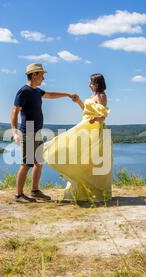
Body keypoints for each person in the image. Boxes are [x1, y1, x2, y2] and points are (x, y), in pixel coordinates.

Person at [11, 63, 79, 203]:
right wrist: (15, 132)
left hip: (37, 131)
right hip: (28, 130)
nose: (44, 78)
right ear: (34, 74)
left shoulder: (37, 91)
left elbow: (51, 94)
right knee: (26, 164)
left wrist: (67, 94)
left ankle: (35, 191)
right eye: (42, 75)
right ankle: (18, 195)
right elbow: (15, 111)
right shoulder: (24, 91)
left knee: (39, 162)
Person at [43, 73, 113, 203]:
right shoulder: (92, 96)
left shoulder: (102, 96)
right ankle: (84, 190)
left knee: (93, 162)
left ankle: (96, 191)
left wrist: (95, 118)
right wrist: (78, 101)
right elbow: (85, 110)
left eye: (91, 82)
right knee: (80, 156)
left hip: (95, 130)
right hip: (86, 127)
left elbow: (103, 116)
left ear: (96, 84)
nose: (89, 84)